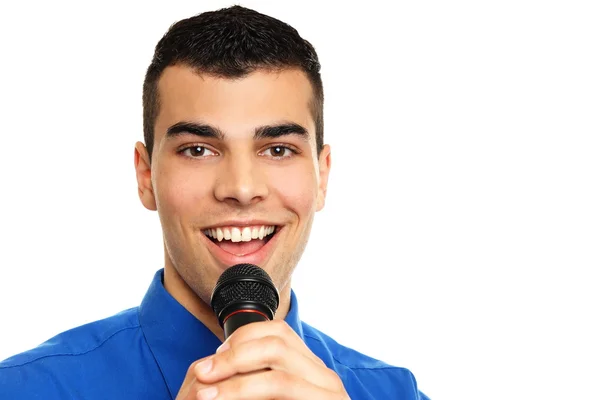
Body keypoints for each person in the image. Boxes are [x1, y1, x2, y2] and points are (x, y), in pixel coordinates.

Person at [0, 5, 429, 399]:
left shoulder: (394, 393)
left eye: (278, 149)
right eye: (198, 150)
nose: (241, 189)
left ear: (322, 176)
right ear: (146, 175)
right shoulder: (24, 389)